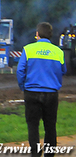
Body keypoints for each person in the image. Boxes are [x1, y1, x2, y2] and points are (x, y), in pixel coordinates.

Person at [17, 22, 67, 157]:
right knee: (50, 126)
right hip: (51, 93)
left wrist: (23, 86)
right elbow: (63, 70)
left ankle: (35, 153)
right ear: (51, 35)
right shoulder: (58, 52)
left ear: (37, 34)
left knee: (33, 125)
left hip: (31, 92)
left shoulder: (28, 49)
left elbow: (20, 70)